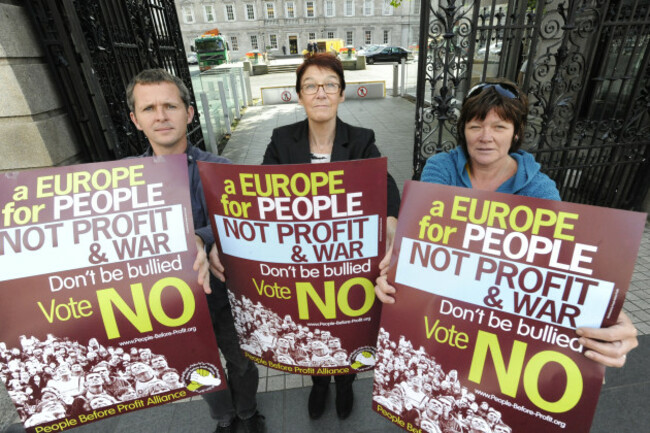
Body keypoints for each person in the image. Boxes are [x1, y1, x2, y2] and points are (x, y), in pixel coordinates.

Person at [374, 79, 639, 369]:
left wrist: (608, 311)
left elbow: (564, 264)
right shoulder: (442, 167)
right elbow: (423, 237)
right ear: (464, 131)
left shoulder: (540, 190)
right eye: (475, 126)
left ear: (516, 133)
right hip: (442, 319)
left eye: (499, 127)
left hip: (499, 328)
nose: (485, 136)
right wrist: (398, 266)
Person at [260, 53, 401, 420]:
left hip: (346, 259)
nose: (320, 92)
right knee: (310, 323)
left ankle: (345, 381)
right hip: (302, 260)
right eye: (310, 85)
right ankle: (318, 381)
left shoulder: (361, 139)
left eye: (329, 85)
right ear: (299, 95)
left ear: (341, 94)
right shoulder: (280, 140)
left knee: (346, 322)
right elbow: (258, 192)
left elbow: (383, 181)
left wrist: (389, 219)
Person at [127, 68, 265, 433]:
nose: (161, 116)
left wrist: (202, 237)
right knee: (201, 364)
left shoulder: (222, 169)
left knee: (240, 361)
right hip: (169, 304)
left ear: (189, 113)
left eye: (170, 106)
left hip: (225, 295)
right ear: (135, 119)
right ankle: (223, 418)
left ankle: (249, 413)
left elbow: (240, 221)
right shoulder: (124, 181)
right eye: (149, 108)